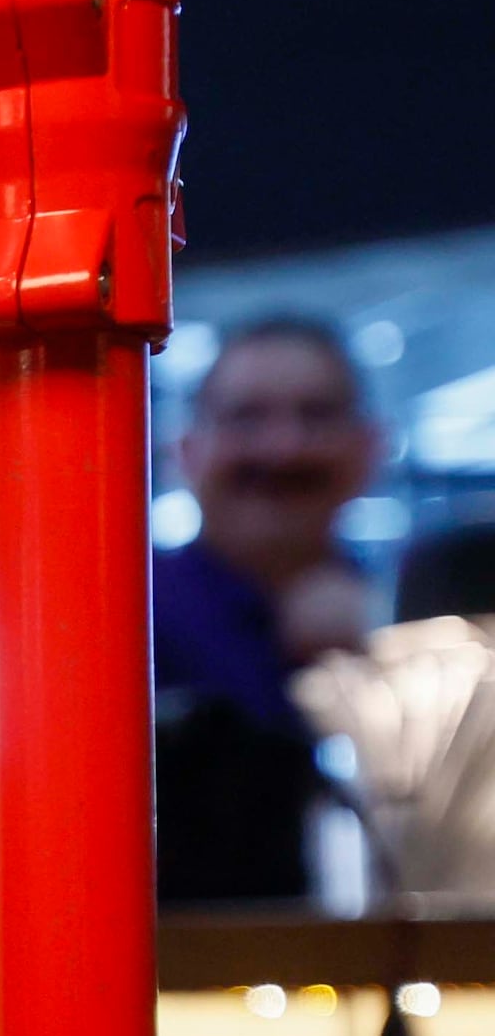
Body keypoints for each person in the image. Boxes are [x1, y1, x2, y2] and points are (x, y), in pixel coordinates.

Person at [154, 316, 383, 901]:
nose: (284, 447)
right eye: (247, 418)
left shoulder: (416, 619)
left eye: (317, 415)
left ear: (368, 449)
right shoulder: (127, 612)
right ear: (187, 451)